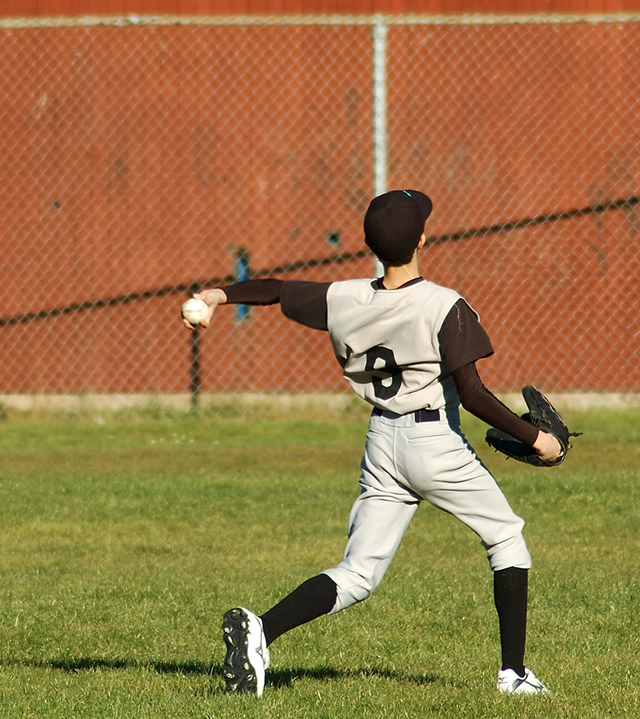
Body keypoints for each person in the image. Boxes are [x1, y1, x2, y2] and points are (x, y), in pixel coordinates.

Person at [183, 189, 562, 697]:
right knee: (506, 538)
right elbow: (472, 394)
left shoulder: (344, 298)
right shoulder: (443, 305)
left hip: (383, 442)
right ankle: (514, 675)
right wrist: (538, 439)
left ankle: (261, 632)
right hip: (435, 442)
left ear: (372, 246)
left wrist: (217, 296)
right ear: (423, 239)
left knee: (359, 572)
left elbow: (276, 289)